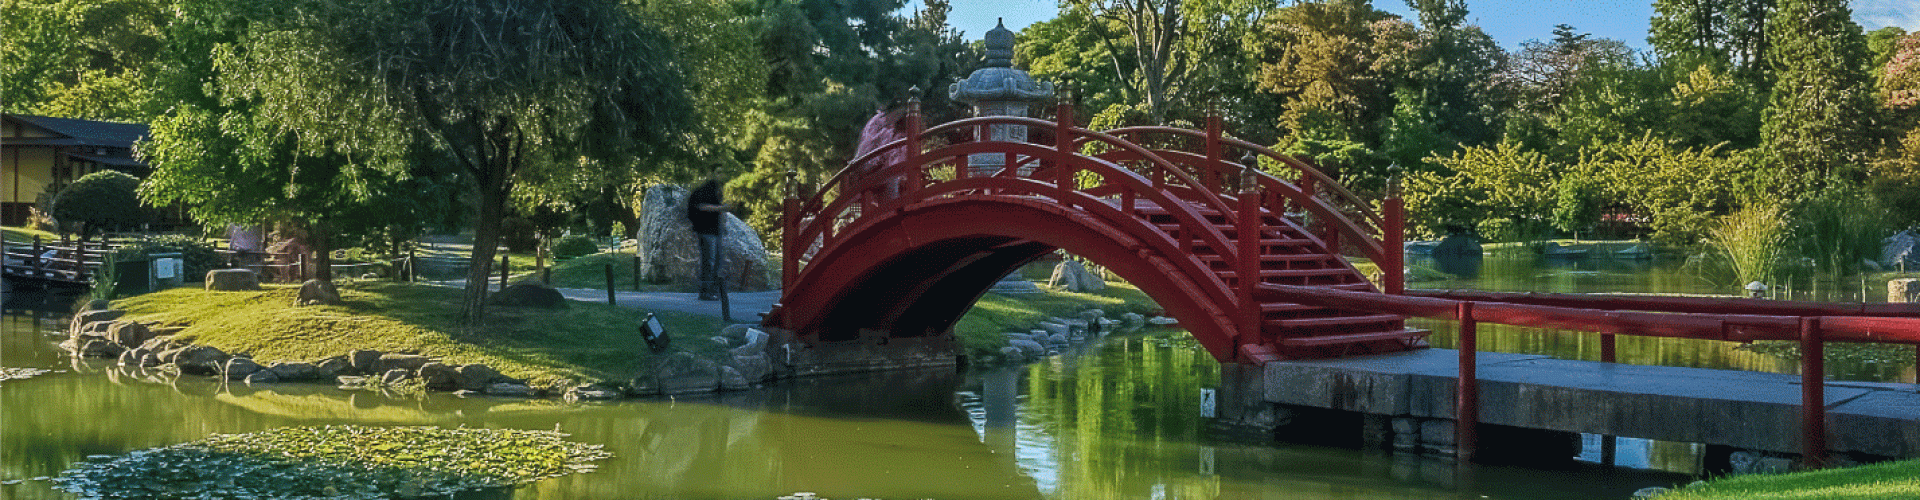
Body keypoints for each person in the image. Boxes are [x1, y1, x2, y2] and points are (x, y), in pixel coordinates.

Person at [686, 179, 730, 301]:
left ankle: (713, 290)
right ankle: (705, 291)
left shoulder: (713, 193)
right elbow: (702, 207)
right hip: (706, 231)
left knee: (717, 262)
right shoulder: (702, 192)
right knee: (709, 262)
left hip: (715, 231)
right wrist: (721, 208)